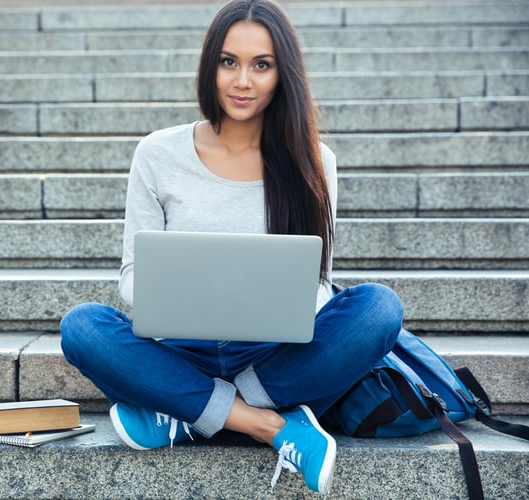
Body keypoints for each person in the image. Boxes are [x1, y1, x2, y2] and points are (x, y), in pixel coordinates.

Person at [60, 0, 404, 494]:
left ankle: (188, 413)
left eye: (261, 65)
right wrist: (183, 301)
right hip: (179, 353)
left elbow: (319, 285)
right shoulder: (158, 153)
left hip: (272, 358)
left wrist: (283, 306)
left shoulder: (314, 161)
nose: (243, 81)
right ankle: (270, 425)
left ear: (282, 73)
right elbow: (131, 279)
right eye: (229, 62)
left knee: (378, 309)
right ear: (210, 66)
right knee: (83, 328)